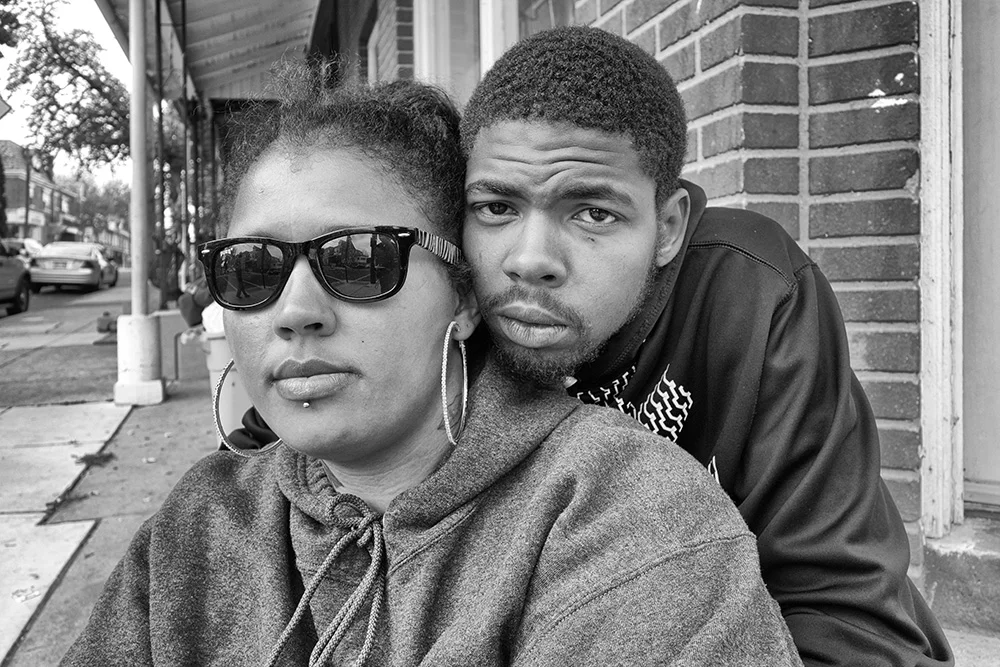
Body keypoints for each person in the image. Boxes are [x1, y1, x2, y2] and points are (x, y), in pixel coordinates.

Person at [60, 64, 802, 666]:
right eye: (253, 267)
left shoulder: (628, 519)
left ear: (465, 294)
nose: (294, 310)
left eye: (357, 259)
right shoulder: (195, 529)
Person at [457, 26, 953, 667]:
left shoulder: (749, 296)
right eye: (497, 207)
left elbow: (843, 608)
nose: (530, 260)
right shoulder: (434, 302)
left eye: (594, 214)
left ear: (667, 228)